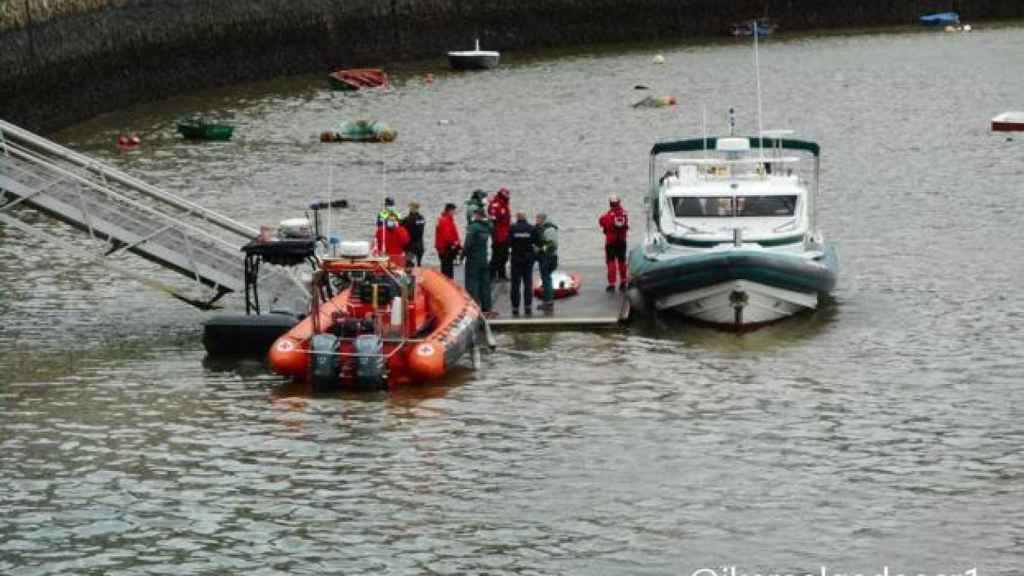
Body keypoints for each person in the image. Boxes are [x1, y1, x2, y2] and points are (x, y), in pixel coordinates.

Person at [463, 208, 495, 317]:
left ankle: (474, 307)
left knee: (473, 283)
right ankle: (487, 307)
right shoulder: (487, 227)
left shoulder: (473, 227)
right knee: (485, 284)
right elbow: (491, 224)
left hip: (473, 259)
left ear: (477, 215)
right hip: (484, 258)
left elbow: (468, 243)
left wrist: (462, 255)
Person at [598, 194, 629, 292]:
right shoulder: (624, 214)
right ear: (619, 202)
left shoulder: (608, 216)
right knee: (622, 262)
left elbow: (601, 221)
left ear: (610, 203)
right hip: (622, 242)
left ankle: (612, 284)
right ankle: (623, 282)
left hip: (611, 243)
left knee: (611, 263)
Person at [507, 211, 536, 317]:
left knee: (515, 284)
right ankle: (528, 306)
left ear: (517, 217)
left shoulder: (512, 228)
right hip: (528, 260)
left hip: (516, 259)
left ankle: (515, 307)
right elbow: (536, 242)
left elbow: (508, 243)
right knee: (528, 284)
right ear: (525, 217)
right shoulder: (531, 228)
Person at [534, 212, 559, 311]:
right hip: (548, 258)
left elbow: (552, 245)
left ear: (542, 219)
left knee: (546, 279)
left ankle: (548, 302)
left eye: (537, 219)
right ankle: (548, 300)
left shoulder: (549, 230)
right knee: (546, 279)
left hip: (549, 258)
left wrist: (540, 250)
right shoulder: (545, 228)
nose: (536, 221)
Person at [487, 187, 511, 281]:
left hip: (505, 233)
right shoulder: (496, 204)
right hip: (498, 235)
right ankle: (492, 275)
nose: (508, 196)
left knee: (504, 255)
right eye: (507, 194)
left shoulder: (503, 204)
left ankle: (501, 274)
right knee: (497, 255)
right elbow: (494, 220)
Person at [434, 203, 462, 279]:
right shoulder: (445, 220)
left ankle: (447, 284)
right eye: (453, 211)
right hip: (446, 248)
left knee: (447, 268)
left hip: (444, 248)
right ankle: (448, 285)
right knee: (447, 269)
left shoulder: (445, 219)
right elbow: (448, 237)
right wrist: (456, 244)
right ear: (450, 210)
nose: (454, 213)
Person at [401, 202, 427, 267]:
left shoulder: (408, 219)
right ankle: (418, 275)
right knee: (418, 264)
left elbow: (403, 228)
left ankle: (411, 275)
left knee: (408, 263)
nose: (410, 209)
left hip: (411, 246)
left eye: (411, 207)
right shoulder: (421, 218)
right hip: (420, 245)